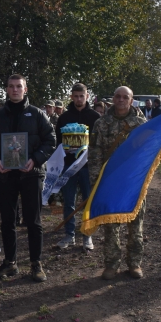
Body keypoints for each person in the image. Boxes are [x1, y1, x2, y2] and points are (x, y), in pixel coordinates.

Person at [0, 74, 56, 282]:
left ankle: (36, 263)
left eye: (19, 86)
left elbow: (50, 141)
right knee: (7, 220)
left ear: (25, 90)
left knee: (33, 221)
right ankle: (10, 262)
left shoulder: (37, 114)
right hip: (5, 175)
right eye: (11, 86)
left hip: (31, 175)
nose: (15, 90)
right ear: (6, 89)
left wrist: (35, 159)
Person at [89, 86, 148, 280]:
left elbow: (149, 153)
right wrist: (95, 181)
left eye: (125, 97)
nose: (121, 100)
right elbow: (95, 152)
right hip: (110, 181)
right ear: (113, 99)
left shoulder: (141, 124)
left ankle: (134, 263)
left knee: (135, 224)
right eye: (117, 96)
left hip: (133, 183)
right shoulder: (101, 123)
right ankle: (112, 264)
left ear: (131, 101)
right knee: (111, 225)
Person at [55, 83, 101, 251]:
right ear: (71, 97)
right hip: (69, 166)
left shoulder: (95, 116)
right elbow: (58, 142)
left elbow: (98, 142)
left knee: (88, 201)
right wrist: (65, 150)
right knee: (69, 201)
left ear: (87, 96)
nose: (79, 99)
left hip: (88, 167)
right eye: (76, 96)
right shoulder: (64, 117)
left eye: (82, 96)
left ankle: (87, 236)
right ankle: (69, 235)